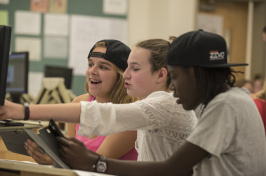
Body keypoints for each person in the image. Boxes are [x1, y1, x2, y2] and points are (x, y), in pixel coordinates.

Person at [54, 30, 266, 175]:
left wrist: (96, 163)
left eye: (175, 77)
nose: (173, 86)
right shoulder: (232, 100)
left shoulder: (224, 106)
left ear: (194, 74)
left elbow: (171, 168)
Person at [0, 38, 197, 163]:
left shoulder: (162, 106)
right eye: (90, 64)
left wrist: (23, 111)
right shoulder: (153, 107)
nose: (127, 74)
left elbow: (99, 118)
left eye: (134, 68)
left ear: (161, 74)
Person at [25, 39, 139, 165]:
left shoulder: (130, 113)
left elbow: (95, 164)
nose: (92, 71)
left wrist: (54, 160)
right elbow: (69, 155)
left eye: (103, 67)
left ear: (121, 76)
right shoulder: (79, 102)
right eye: (90, 64)